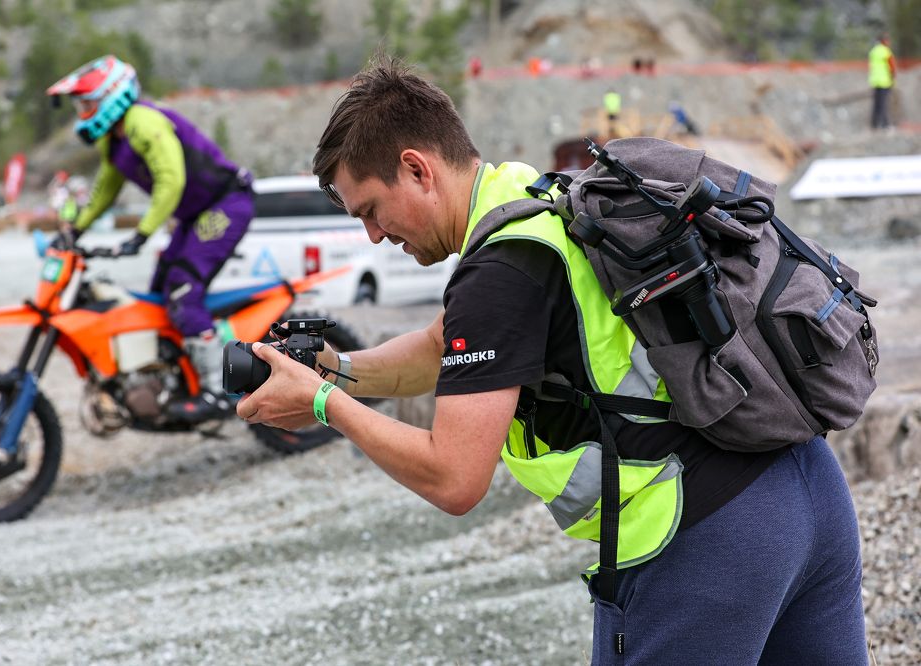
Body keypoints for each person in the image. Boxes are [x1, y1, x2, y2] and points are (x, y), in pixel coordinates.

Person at [236, 57, 868, 664]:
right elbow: (441, 349)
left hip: (707, 531)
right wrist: (335, 370)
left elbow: (455, 479)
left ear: (417, 169)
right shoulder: (533, 197)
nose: (373, 235)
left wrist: (323, 405)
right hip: (807, 487)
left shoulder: (498, 272)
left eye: (371, 210)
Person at [47, 55, 256, 422]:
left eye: (87, 104)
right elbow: (105, 189)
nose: (82, 114)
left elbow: (170, 180)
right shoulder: (114, 142)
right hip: (195, 215)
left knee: (182, 290)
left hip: (226, 203)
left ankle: (218, 391)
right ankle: (174, 377)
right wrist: (75, 229)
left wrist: (141, 234)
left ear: (112, 96)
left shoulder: (143, 122)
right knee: (158, 291)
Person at [868, 33, 896, 129]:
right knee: (884, 104)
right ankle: (885, 124)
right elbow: (892, 66)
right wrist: (893, 77)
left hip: (875, 81)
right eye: (887, 40)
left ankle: (874, 124)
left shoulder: (873, 51)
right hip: (884, 81)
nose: (889, 42)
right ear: (883, 41)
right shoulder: (886, 51)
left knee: (877, 104)